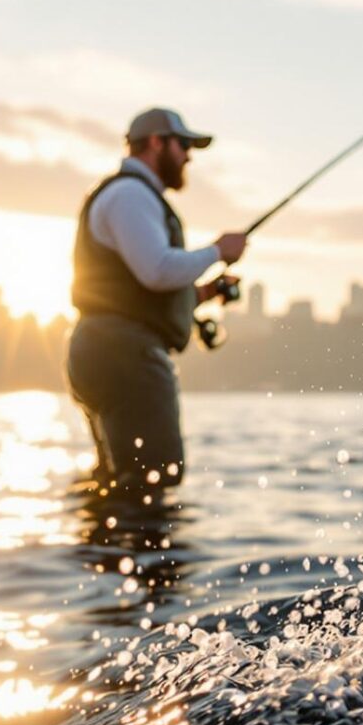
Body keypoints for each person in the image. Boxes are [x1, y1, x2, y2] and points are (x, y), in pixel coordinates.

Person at [66, 107, 248, 496]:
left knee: (117, 482)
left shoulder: (129, 196)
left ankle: (102, 553)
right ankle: (140, 556)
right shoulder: (130, 194)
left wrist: (205, 293)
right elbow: (158, 271)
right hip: (125, 355)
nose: (188, 156)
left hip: (106, 350)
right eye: (182, 145)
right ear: (155, 143)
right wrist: (218, 250)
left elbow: (142, 290)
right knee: (152, 479)